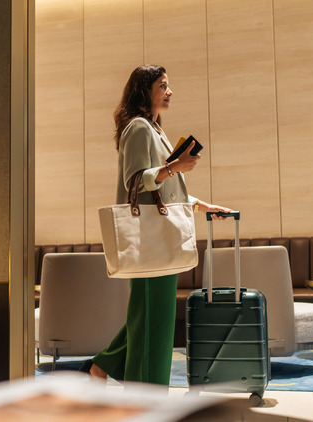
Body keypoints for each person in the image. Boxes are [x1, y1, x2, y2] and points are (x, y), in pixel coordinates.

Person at [84, 64, 233, 386]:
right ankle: (145, 395)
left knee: (151, 314)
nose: (169, 91)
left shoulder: (154, 128)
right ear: (144, 91)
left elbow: (166, 190)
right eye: (162, 86)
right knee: (153, 318)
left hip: (158, 236)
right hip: (151, 237)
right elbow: (136, 181)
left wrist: (201, 205)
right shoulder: (138, 128)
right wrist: (174, 166)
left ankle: (104, 367)